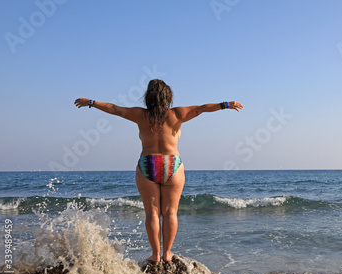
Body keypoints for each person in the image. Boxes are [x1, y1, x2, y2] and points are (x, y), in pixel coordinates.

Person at [74, 79, 243, 262]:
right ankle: (167, 254)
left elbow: (114, 109)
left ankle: (155, 255)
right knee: (170, 212)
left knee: (152, 213)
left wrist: (91, 102)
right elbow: (201, 108)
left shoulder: (140, 115)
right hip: (172, 163)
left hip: (148, 162)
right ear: (168, 96)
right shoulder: (177, 114)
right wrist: (225, 105)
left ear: (148, 97)